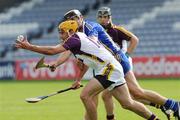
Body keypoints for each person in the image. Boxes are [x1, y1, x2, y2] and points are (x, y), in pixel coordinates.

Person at [47, 9, 179, 120]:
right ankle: (165, 108)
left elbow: (91, 44)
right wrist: (57, 63)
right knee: (125, 102)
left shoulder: (89, 27)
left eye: (75, 18)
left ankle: (173, 105)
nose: (74, 21)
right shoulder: (76, 34)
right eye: (70, 19)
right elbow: (69, 50)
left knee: (136, 93)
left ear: (81, 18)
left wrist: (79, 67)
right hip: (104, 65)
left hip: (117, 60)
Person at [15, 20, 160, 120]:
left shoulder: (75, 39)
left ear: (71, 31)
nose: (60, 36)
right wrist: (77, 80)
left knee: (85, 96)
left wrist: (30, 47)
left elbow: (53, 51)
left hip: (109, 68)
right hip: (112, 68)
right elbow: (84, 63)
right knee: (127, 103)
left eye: (62, 32)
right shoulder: (78, 40)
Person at [96, 7, 180, 120]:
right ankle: (164, 105)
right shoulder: (98, 32)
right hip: (113, 66)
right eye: (100, 17)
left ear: (110, 17)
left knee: (136, 92)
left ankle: (173, 105)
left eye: (105, 17)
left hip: (121, 63)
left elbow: (134, 39)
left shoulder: (117, 30)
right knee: (110, 96)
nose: (103, 19)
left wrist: (126, 56)